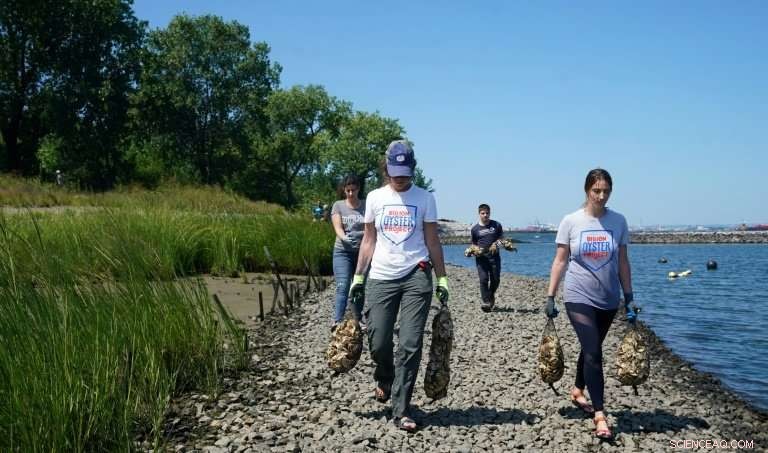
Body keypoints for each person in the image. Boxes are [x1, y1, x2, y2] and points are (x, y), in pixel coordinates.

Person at [349, 139, 449, 432]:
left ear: (412, 168)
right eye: (395, 171)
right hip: (380, 276)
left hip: (416, 274)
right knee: (378, 339)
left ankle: (401, 407)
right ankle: (385, 377)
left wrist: (441, 276)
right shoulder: (376, 198)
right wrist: (358, 275)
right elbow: (369, 240)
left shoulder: (425, 198)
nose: (401, 177)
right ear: (387, 169)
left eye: (405, 171)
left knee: (410, 343)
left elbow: (432, 240)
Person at [544, 168, 637, 440]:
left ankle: (577, 389)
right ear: (587, 190)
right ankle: (600, 415)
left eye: (606, 191)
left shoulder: (618, 222)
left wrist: (629, 297)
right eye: (596, 190)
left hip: (608, 298)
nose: (601, 195)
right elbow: (560, 260)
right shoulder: (571, 221)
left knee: (589, 349)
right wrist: (550, 296)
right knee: (595, 352)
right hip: (578, 295)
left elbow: (622, 262)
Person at [330, 175, 366, 330]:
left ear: (358, 189)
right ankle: (337, 320)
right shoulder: (338, 206)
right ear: (344, 190)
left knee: (358, 286)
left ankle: (358, 318)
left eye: (354, 190)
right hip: (342, 251)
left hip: (362, 253)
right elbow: (338, 227)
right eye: (348, 190)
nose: (351, 193)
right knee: (343, 285)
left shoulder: (366, 205)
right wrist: (345, 238)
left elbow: (371, 228)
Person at [470, 203, 504, 312]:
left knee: (496, 279)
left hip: (494, 257)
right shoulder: (475, 229)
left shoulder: (496, 225)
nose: (485, 215)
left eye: (487, 213)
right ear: (479, 214)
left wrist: (497, 244)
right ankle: (486, 302)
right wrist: (474, 250)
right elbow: (474, 244)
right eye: (483, 213)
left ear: (490, 213)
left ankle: (490, 295)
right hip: (481, 259)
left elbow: (502, 239)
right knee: (483, 279)